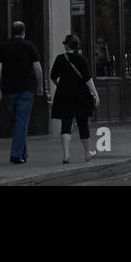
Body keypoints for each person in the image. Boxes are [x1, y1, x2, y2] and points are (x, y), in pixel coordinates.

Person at [0, 20, 43, 165]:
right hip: (27, 89)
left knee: (17, 122)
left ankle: (23, 153)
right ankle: (16, 155)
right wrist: (40, 85)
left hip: (9, 90)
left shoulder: (3, 47)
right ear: (23, 32)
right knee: (22, 122)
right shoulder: (29, 47)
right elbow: (38, 68)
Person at [50, 34, 97, 164]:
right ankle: (87, 153)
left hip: (64, 95)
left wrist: (59, 85)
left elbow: (53, 76)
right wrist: (95, 94)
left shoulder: (60, 59)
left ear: (66, 45)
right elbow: (88, 79)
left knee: (66, 124)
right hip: (81, 96)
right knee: (83, 124)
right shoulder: (82, 59)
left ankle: (66, 155)